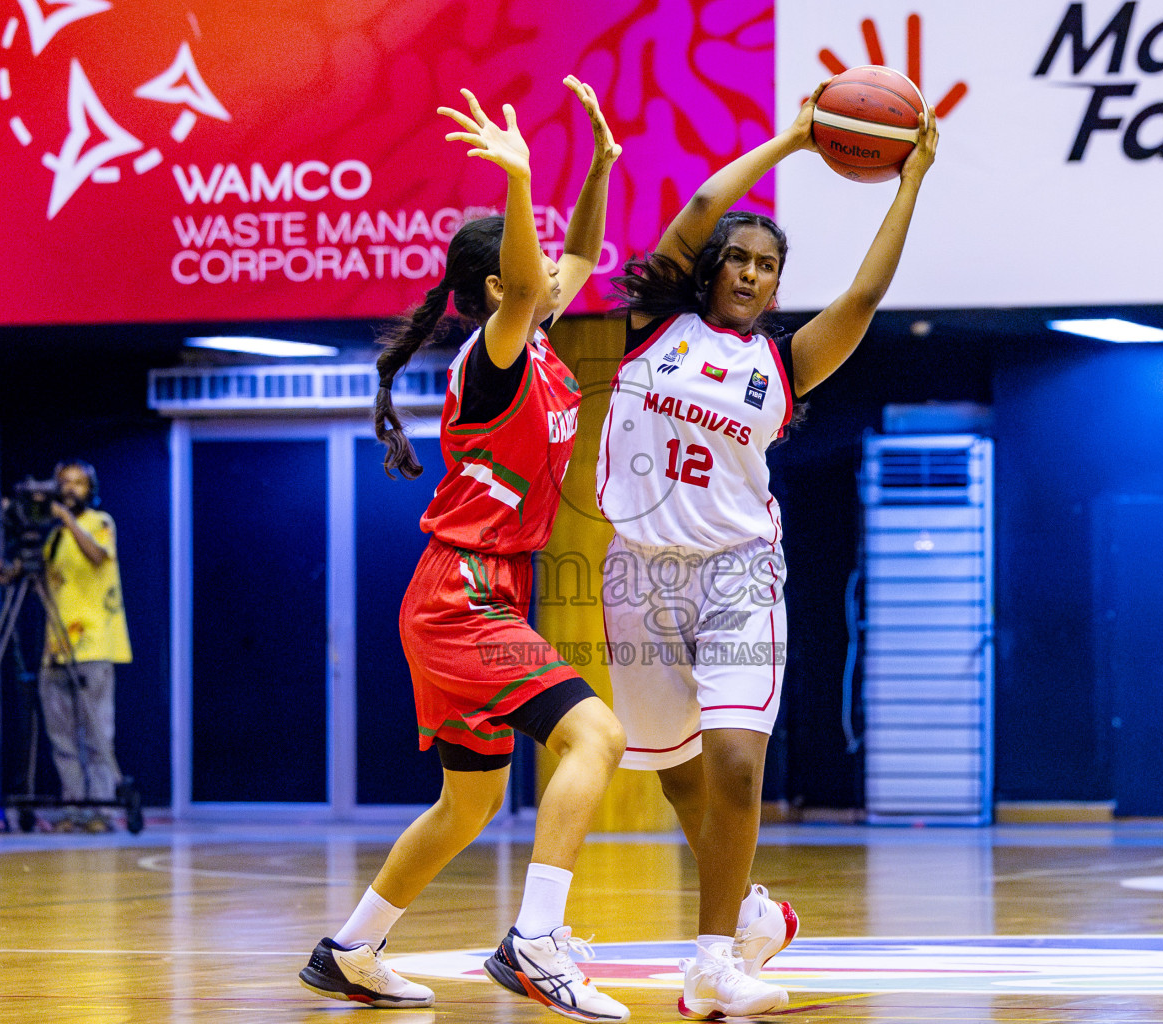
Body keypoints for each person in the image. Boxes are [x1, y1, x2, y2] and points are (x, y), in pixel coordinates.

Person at [595, 82, 938, 1019]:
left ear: (778, 287)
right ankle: (746, 909)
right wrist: (790, 141)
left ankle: (710, 964)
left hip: (738, 576)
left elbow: (866, 295)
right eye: (737, 260)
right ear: (710, 271)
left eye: (766, 267)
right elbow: (702, 207)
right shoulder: (653, 326)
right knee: (679, 780)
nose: (748, 272)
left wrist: (909, 180)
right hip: (635, 574)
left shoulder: (782, 364)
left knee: (739, 763)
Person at [298, 77, 631, 1021]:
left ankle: (350, 952)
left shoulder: (536, 337)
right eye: (524, 283)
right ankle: (534, 942)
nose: (550, 286)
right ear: (495, 292)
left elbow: (563, 260)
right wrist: (521, 177)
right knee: (594, 733)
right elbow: (533, 279)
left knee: (469, 804)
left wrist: (598, 168)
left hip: (475, 594)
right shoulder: (496, 353)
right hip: (463, 598)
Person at [0, 459, 131, 833]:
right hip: (56, 646)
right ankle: (74, 806)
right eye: (63, 483)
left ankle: (100, 809)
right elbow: (24, 569)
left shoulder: (99, 523)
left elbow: (97, 556)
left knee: (98, 734)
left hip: (94, 644)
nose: (70, 490)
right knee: (63, 738)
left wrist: (66, 520)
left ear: (90, 489)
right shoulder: (51, 536)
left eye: (78, 484)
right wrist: (9, 569)